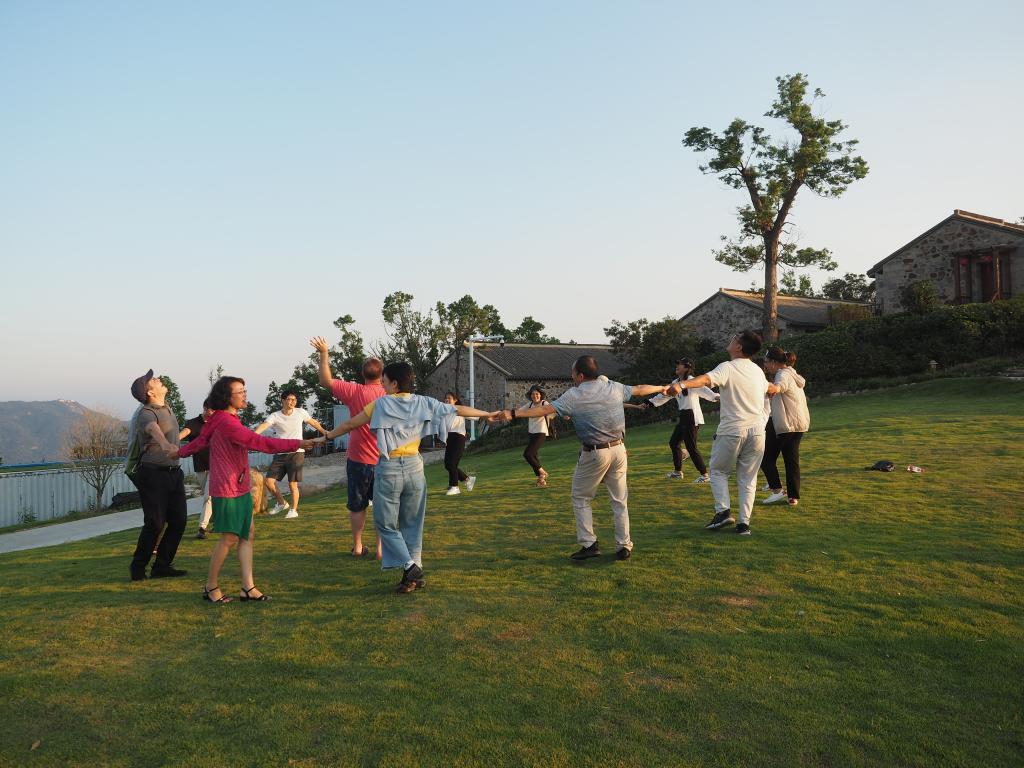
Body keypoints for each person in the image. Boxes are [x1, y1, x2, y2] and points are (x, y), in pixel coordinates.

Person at [324, 362, 497, 593]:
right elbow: (458, 410)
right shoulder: (423, 402)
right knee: (413, 524)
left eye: (385, 382)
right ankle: (412, 579)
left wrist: (326, 436)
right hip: (415, 467)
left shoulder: (381, 404)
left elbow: (350, 424)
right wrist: (487, 414)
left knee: (384, 524)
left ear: (395, 384)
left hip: (390, 468)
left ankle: (410, 566)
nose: (383, 386)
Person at [502, 355, 672, 561]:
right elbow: (640, 389)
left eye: (573, 372)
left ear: (580, 375)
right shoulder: (613, 387)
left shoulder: (574, 394)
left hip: (595, 452)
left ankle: (589, 544)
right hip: (619, 450)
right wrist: (662, 388)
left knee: (581, 497)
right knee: (619, 500)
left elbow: (545, 409)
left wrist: (513, 413)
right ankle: (624, 546)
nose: (572, 376)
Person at [174, 376, 319, 604]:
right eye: (240, 391)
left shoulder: (222, 418)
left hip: (239, 486)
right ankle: (211, 587)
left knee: (247, 534)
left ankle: (248, 588)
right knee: (230, 537)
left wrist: (177, 452)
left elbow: (200, 441)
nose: (245, 394)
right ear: (226, 397)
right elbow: (260, 443)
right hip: (227, 488)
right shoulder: (226, 422)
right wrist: (297, 443)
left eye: (244, 390)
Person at [670, 330, 780, 536]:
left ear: (739, 347)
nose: (730, 340)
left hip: (732, 430)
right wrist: (774, 390)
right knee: (748, 479)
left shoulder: (727, 367)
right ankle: (744, 524)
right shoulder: (757, 371)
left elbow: (705, 380)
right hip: (757, 433)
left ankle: (723, 512)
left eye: (734, 339)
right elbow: (771, 389)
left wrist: (682, 384)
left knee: (718, 472)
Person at [311, 336, 387, 558]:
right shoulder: (389, 394)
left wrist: (324, 353)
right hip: (384, 458)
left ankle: (358, 546)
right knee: (382, 505)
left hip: (358, 458)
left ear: (363, 374)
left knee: (357, 505)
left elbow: (325, 380)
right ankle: (381, 549)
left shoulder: (354, 391)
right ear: (382, 375)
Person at [127, 370, 189, 582]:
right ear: (150, 392)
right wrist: (164, 444)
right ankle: (138, 567)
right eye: (152, 380)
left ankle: (162, 566)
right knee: (155, 523)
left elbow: (171, 434)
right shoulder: (146, 412)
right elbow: (153, 429)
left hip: (174, 473)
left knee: (179, 521)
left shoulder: (167, 407)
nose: (158, 379)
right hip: (153, 474)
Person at [254, 390, 328, 519]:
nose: (292, 402)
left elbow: (313, 422)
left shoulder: (300, 412)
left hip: (297, 453)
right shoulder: (275, 415)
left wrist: (324, 432)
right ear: (283, 400)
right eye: (289, 399)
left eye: (294, 399)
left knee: (292, 484)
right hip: (280, 453)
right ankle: (281, 503)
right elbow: (265, 425)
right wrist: (252, 436)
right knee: (269, 481)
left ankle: (294, 510)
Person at [643, 358, 719, 483]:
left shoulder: (692, 381)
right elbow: (664, 396)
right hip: (683, 416)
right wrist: (649, 403)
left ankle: (705, 475)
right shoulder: (675, 382)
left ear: (687, 368)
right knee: (674, 443)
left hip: (692, 417)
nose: (677, 366)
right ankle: (678, 472)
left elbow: (707, 392)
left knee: (691, 447)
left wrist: (717, 397)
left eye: (680, 364)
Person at [761, 348, 810, 507]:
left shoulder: (782, 374)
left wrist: (766, 387)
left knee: (765, 458)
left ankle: (777, 490)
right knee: (791, 460)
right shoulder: (792, 373)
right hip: (799, 424)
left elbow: (779, 387)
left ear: (774, 362)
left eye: (766, 362)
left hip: (786, 424)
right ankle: (793, 497)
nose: (765, 365)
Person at [179, 399, 215, 539]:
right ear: (205, 408)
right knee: (211, 498)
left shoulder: (216, 423)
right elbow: (184, 433)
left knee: (209, 497)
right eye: (211, 410)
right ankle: (217, 522)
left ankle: (202, 528)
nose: (213, 413)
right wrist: (170, 441)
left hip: (216, 466)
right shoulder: (193, 423)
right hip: (200, 466)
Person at [441, 392, 477, 496]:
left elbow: (474, 415)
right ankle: (467, 479)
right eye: (445, 398)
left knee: (451, 464)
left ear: (455, 400)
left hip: (458, 437)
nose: (446, 400)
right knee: (448, 464)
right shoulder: (445, 412)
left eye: (449, 398)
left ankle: (455, 487)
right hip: (449, 439)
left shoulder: (459, 410)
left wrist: (487, 416)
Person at [519, 385, 553, 487]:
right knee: (533, 455)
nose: (535, 396)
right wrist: (506, 414)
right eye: (533, 394)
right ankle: (541, 479)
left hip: (541, 432)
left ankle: (542, 472)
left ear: (540, 395)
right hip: (531, 432)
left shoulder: (544, 403)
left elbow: (554, 410)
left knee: (528, 454)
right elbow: (519, 411)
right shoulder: (529, 405)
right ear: (530, 396)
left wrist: (565, 414)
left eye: (537, 394)